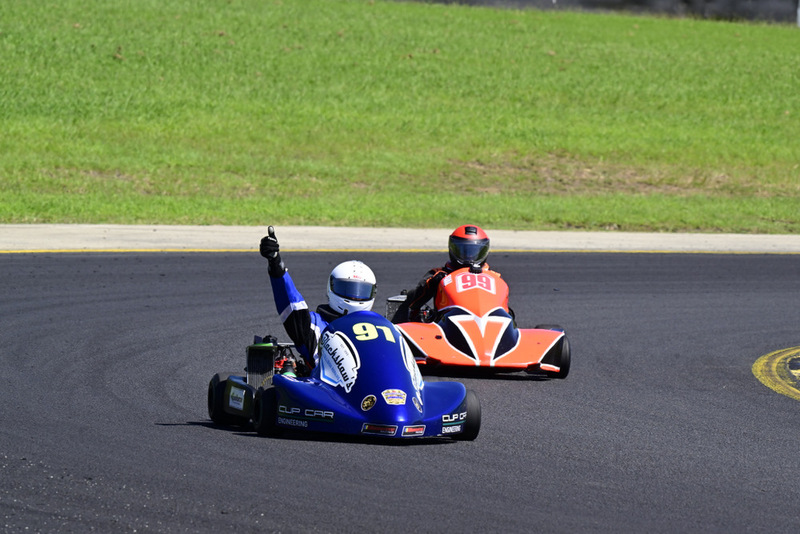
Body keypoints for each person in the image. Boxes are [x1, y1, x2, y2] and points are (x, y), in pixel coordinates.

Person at [260, 226, 377, 375]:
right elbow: (292, 304)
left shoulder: (380, 329)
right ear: (331, 287)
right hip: (327, 386)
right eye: (347, 289)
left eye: (361, 292)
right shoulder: (316, 327)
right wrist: (276, 265)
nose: (354, 297)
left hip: (376, 384)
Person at [395, 224, 491, 322]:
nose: (469, 256)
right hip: (446, 322)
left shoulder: (494, 277)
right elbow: (414, 302)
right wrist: (435, 281)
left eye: (473, 252)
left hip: (487, 320)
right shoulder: (439, 275)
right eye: (464, 251)